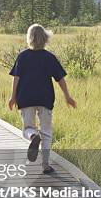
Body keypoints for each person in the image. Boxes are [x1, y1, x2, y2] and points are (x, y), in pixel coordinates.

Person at [8, 23, 76, 174]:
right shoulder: (49, 57)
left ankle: (33, 136)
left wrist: (13, 97)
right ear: (45, 39)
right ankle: (45, 164)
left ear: (29, 38)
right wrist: (67, 96)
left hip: (25, 97)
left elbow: (16, 78)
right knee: (46, 132)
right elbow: (60, 79)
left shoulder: (22, 56)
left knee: (27, 128)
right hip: (45, 98)